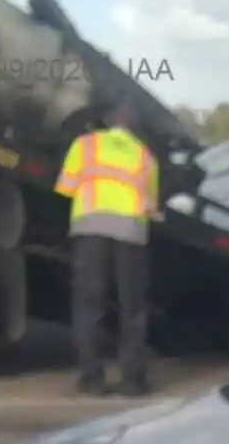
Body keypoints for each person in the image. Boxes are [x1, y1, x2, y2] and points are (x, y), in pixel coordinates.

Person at [55, 99, 160, 396]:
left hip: (90, 230)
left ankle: (92, 379)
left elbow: (66, 187)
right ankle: (133, 380)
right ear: (133, 124)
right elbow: (151, 206)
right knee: (132, 309)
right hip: (130, 234)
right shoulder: (145, 157)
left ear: (108, 118)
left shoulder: (85, 145)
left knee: (90, 305)